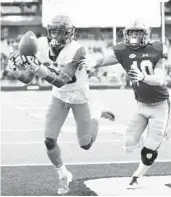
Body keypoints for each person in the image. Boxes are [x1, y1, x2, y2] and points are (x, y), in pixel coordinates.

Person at [8, 15, 115, 194]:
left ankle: (96, 113)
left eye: (61, 32)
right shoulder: (40, 44)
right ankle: (63, 174)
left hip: (79, 97)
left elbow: (60, 80)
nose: (57, 36)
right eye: (54, 31)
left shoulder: (77, 50)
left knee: (86, 144)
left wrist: (36, 67)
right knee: (49, 140)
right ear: (49, 32)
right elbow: (27, 79)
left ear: (70, 33)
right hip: (59, 97)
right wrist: (15, 70)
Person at [92, 20, 170, 188]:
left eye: (138, 33)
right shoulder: (122, 51)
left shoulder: (156, 49)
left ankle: (138, 175)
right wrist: (89, 65)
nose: (134, 36)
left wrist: (143, 77)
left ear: (145, 35)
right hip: (141, 105)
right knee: (128, 143)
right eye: (131, 33)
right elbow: (102, 61)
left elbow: (160, 79)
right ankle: (148, 136)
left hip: (160, 106)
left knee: (149, 151)